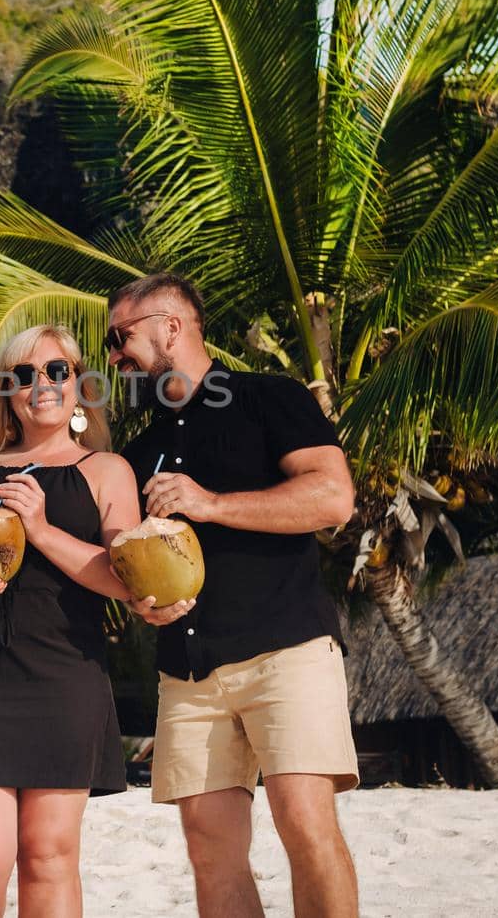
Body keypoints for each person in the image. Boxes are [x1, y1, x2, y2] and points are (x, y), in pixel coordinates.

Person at [109, 273, 361, 918]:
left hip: (286, 650)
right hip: (187, 669)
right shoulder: (139, 451)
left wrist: (211, 503)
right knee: (209, 849)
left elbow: (332, 498)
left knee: (305, 824)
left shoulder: (266, 397)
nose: (113, 356)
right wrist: (144, 602)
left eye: (121, 336)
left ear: (172, 326)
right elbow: (136, 561)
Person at [0, 323, 141, 918]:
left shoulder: (108, 471)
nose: (40, 384)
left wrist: (41, 530)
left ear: (80, 385)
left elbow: (125, 578)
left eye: (56, 371)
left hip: (65, 675)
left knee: (49, 856)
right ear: (5, 393)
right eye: (22, 375)